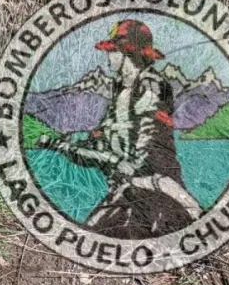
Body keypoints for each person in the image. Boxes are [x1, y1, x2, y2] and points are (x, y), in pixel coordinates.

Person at [38, 19, 200, 238]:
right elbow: (103, 140)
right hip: (128, 190)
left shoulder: (151, 86)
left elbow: (142, 153)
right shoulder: (121, 90)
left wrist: (81, 151)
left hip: (154, 190)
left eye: (113, 51)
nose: (108, 57)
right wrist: (72, 144)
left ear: (127, 53)